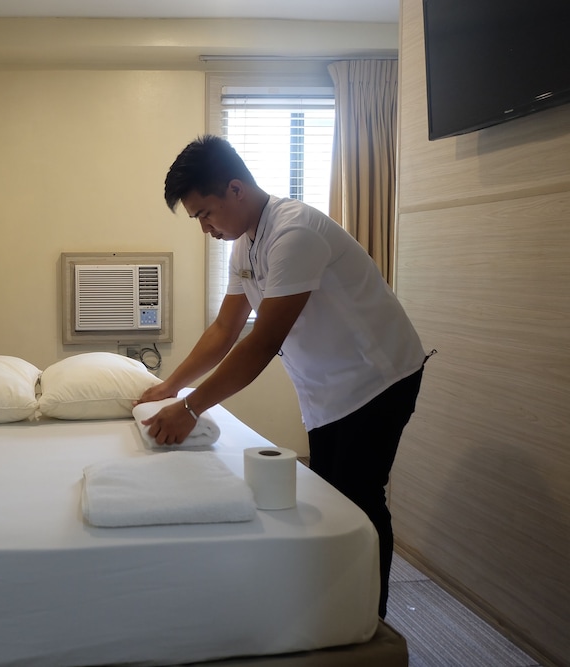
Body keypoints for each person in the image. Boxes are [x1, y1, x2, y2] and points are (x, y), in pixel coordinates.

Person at [138, 134, 427, 619]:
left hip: (377, 379)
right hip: (328, 389)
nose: (205, 228)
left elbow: (263, 341)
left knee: (358, 499)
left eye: (205, 214)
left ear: (236, 189)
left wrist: (190, 407)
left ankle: (368, 620)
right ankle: (337, 603)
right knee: (332, 496)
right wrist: (171, 386)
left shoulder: (295, 233)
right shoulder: (244, 245)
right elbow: (225, 329)